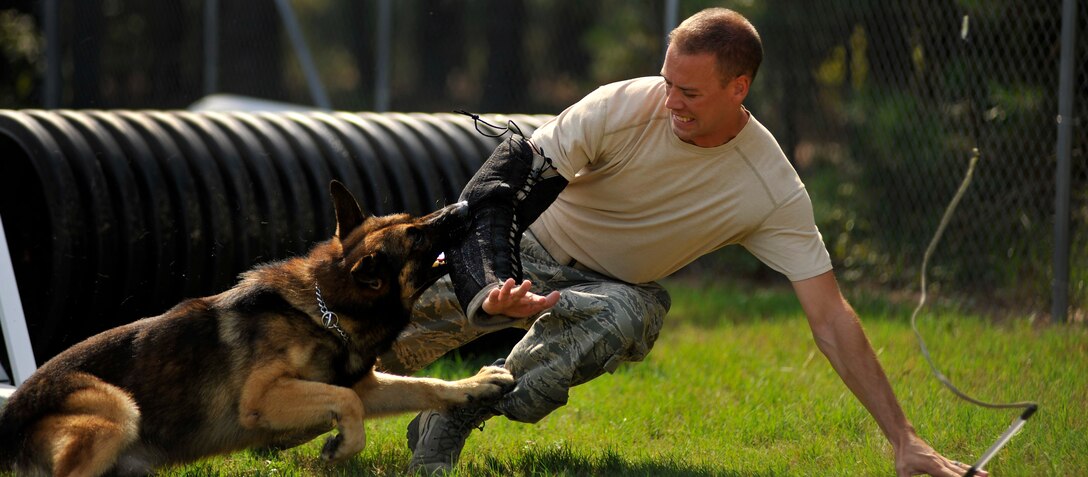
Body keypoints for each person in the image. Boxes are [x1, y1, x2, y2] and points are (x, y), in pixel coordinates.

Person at [377, 8, 983, 477]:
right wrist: (489, 285)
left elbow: (829, 317)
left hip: (608, 290)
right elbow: (498, 189)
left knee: (631, 313)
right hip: (519, 255)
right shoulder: (622, 107)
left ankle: (456, 411)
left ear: (738, 88)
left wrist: (905, 439)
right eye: (668, 82)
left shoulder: (769, 186)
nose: (671, 103)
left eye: (690, 93)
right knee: (369, 348)